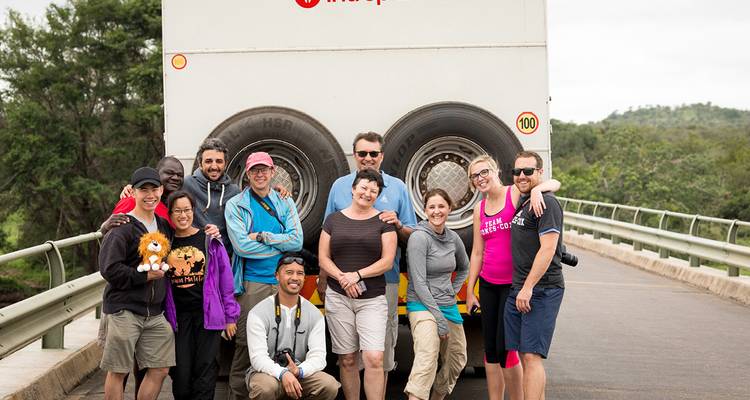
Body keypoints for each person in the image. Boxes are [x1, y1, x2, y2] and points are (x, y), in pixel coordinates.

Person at [320, 131, 417, 393]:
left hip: (384, 283)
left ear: (381, 156)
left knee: (380, 357)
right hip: (340, 285)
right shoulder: (339, 186)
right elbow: (327, 236)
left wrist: (397, 224)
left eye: (373, 153)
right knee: (348, 356)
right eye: (362, 153)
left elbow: (412, 233)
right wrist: (325, 278)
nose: (368, 158)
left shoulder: (397, 187)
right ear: (355, 156)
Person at [464, 155, 560, 400]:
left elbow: (555, 183)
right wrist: (470, 290)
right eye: (475, 176)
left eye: (484, 172)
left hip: (513, 284)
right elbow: (477, 252)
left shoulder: (514, 194)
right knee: (491, 351)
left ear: (496, 170)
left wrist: (539, 190)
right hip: (488, 284)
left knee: (509, 351)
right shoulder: (479, 208)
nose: (481, 178)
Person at [225, 151, 304, 400]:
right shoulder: (236, 205)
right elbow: (241, 246)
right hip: (252, 283)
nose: (259, 174)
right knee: (246, 345)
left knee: (285, 344)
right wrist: (281, 243)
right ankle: (237, 395)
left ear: (272, 172)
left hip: (284, 284)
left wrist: (261, 236)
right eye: (254, 170)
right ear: (247, 175)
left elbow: (297, 241)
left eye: (264, 169)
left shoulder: (284, 201)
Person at [318, 169, 397, 400]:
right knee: (348, 358)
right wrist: (344, 278)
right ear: (353, 189)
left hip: (372, 300)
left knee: (374, 357)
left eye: (374, 190)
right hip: (338, 297)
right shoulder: (333, 220)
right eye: (363, 188)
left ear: (378, 195)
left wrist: (358, 275)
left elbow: (387, 261)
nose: (367, 193)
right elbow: (323, 257)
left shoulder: (384, 221)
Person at [98, 167, 176, 400]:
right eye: (144, 190)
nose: (150, 194)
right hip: (124, 309)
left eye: (154, 189)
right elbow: (109, 269)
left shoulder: (163, 225)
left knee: (161, 368)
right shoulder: (122, 226)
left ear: (161, 191)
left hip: (154, 313)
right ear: (133, 192)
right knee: (119, 371)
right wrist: (143, 277)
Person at [165, 190, 240, 400]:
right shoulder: (165, 243)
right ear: (170, 214)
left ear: (193, 211)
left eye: (187, 210)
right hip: (178, 319)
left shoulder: (210, 241)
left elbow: (225, 281)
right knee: (181, 373)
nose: (183, 215)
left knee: (206, 371)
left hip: (208, 316)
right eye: (177, 211)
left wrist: (230, 316)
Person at [505, 151, 566, 400]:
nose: (522, 176)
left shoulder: (547, 203)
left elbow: (549, 248)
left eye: (528, 171)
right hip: (519, 287)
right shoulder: (524, 199)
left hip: (541, 289)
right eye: (517, 171)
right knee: (524, 354)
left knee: (532, 356)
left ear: (539, 173)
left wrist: (528, 287)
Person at [245, 253, 341, 400]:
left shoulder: (314, 314)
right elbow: (258, 358)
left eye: (300, 273)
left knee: (329, 385)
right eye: (289, 272)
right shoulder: (258, 312)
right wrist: (283, 373)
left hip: (299, 371)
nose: (295, 278)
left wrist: (299, 371)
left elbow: (319, 356)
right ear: (277, 276)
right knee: (265, 388)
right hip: (266, 373)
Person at [404, 189, 469, 400]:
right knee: (427, 356)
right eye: (431, 207)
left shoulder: (453, 238)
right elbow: (419, 282)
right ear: (424, 211)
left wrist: (454, 289)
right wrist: (439, 319)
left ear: (449, 208)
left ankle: (437, 396)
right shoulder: (419, 238)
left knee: (457, 358)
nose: (437, 211)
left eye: (441, 206)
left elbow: (464, 267)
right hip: (422, 305)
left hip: (447, 305)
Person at [182, 138, 241, 255]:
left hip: (224, 258)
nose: (214, 166)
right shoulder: (187, 184)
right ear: (200, 163)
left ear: (225, 164)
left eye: (219, 161)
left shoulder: (234, 192)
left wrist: (276, 191)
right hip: (195, 256)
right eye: (208, 161)